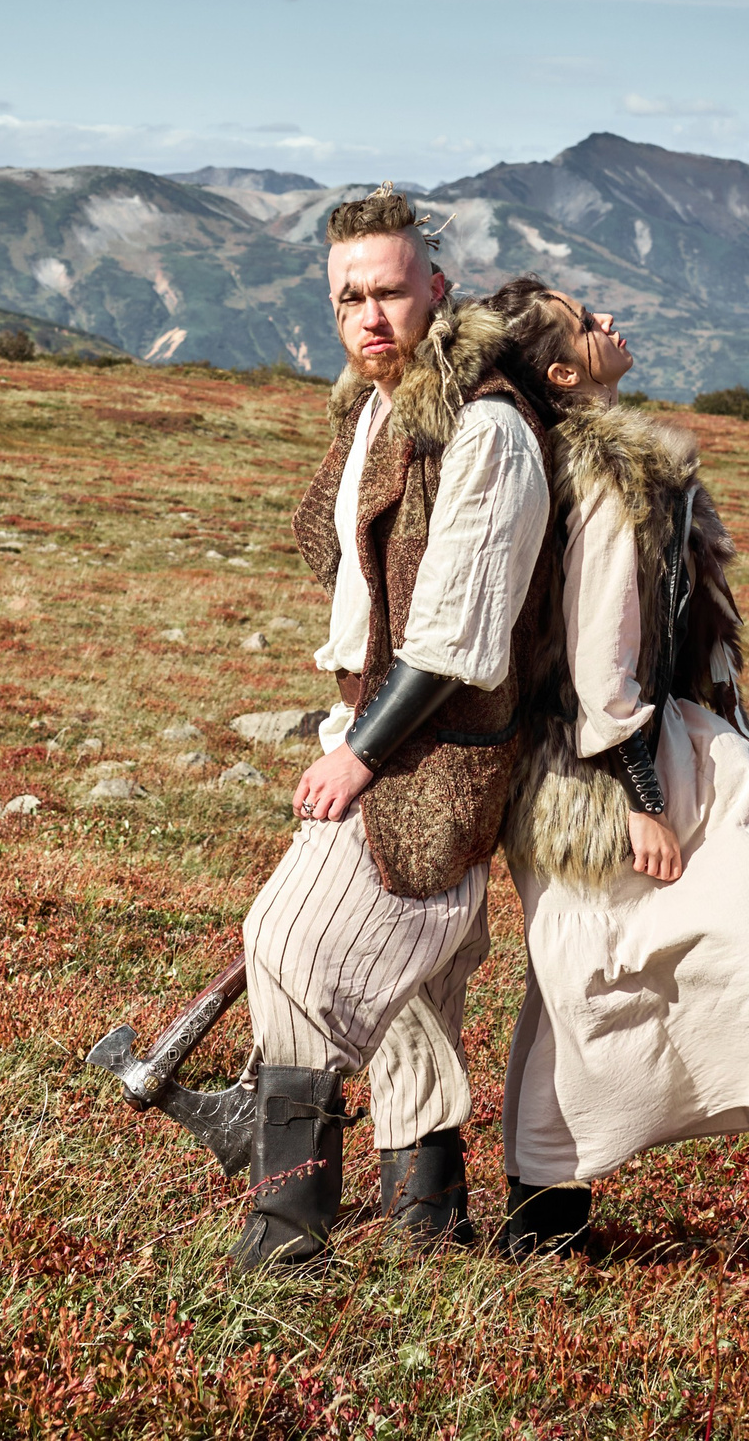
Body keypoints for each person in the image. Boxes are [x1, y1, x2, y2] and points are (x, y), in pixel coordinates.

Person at [481, 277, 749, 1257]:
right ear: (562, 372)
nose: (609, 321)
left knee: (580, 985)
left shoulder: (581, 462)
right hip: (598, 774)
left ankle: (545, 1215)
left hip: (595, 760)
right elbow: (600, 656)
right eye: (585, 322)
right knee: (595, 987)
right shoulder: (616, 476)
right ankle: (543, 1223)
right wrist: (638, 795)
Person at [231, 187, 557, 1267]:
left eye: (389, 291)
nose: (369, 315)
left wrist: (357, 756)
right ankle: (428, 1218)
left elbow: (456, 634)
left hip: (439, 746)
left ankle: (286, 1239)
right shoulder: (377, 408)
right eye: (348, 298)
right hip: (375, 717)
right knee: (416, 984)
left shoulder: (485, 428)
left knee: (290, 944)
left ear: (438, 289)